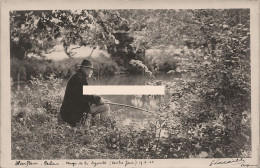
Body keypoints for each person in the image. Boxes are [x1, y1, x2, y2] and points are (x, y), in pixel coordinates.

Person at [59, 59, 110, 127]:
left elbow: (83, 95)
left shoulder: (76, 77)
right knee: (106, 107)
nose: (92, 71)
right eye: (91, 69)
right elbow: (85, 96)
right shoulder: (79, 79)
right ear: (85, 69)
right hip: (73, 113)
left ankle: (93, 126)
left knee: (97, 107)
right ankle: (104, 129)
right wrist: (99, 100)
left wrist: (99, 99)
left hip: (70, 110)